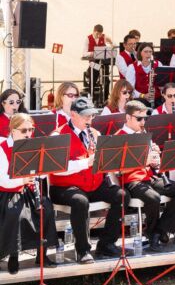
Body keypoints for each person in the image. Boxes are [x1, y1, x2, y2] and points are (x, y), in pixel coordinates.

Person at [49, 97, 128, 262]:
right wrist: (86, 162)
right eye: (86, 116)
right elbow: (57, 169)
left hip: (92, 184)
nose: (90, 120)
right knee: (80, 201)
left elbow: (102, 163)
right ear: (73, 114)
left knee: (121, 195)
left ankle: (106, 243)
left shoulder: (94, 133)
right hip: (65, 187)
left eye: (92, 116)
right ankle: (83, 250)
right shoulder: (57, 136)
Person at [115, 101, 175, 251]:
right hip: (131, 181)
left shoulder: (144, 135)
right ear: (128, 117)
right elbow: (118, 170)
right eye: (139, 119)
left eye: (145, 118)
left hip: (148, 177)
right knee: (154, 198)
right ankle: (151, 235)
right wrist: (145, 161)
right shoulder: (118, 137)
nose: (143, 122)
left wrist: (155, 159)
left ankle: (162, 230)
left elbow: (151, 163)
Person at [0, 114, 58, 273]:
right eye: (24, 130)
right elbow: (3, 180)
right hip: (8, 193)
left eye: (31, 130)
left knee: (46, 208)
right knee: (16, 213)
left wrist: (40, 172)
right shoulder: (2, 148)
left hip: (29, 190)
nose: (28, 134)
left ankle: (42, 254)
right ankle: (13, 256)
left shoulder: (35, 146)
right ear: (13, 130)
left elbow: (42, 172)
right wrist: (23, 180)